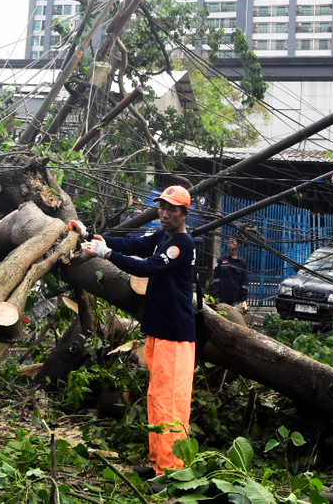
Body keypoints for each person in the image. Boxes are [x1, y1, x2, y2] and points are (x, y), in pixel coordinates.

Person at [81, 186, 195, 476]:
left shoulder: (181, 244)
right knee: (156, 398)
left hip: (176, 334)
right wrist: (91, 234)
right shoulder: (161, 236)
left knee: (172, 403)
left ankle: (173, 472)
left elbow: (147, 268)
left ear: (184, 213)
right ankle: (159, 465)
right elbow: (132, 244)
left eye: (172, 209)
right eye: (162, 207)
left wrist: (106, 254)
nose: (164, 214)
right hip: (158, 330)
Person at [213, 237, 249, 310]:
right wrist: (217, 295)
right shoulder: (222, 259)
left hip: (236, 298)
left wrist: (243, 298)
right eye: (229, 242)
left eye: (233, 243)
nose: (230, 245)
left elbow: (245, 281)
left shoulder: (242, 263)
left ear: (238, 245)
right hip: (223, 297)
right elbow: (216, 278)